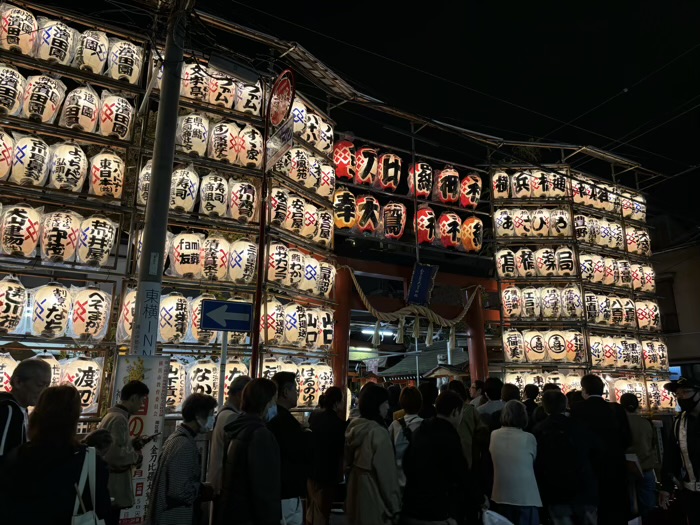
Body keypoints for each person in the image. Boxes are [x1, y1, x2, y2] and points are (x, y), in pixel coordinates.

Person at [0, 385, 111, 525]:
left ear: (37, 415)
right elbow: (102, 511)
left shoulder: (15, 456)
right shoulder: (89, 462)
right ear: (74, 419)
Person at [401, 391, 471, 525]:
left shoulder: (420, 430)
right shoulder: (449, 436)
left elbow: (407, 463)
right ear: (455, 412)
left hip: (411, 506)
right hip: (436, 511)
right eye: (461, 413)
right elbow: (461, 473)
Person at [218, 378, 281, 525]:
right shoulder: (260, 434)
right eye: (273, 401)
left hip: (236, 512)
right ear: (265, 402)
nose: (274, 406)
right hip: (251, 516)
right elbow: (264, 488)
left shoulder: (239, 428)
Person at [571, 374, 631, 525]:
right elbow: (628, 438)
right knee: (615, 508)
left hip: (590, 467)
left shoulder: (577, 409)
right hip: (616, 464)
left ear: (584, 390)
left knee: (594, 511)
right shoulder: (616, 409)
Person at [148, 393, 216, 525]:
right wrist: (202, 490)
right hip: (175, 517)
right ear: (198, 416)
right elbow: (179, 491)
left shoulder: (177, 438)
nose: (212, 419)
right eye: (210, 414)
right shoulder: (184, 445)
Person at [533, 390, 598, 525]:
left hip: (556, 490)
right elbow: (593, 451)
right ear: (565, 404)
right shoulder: (579, 426)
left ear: (544, 407)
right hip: (583, 485)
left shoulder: (539, 429)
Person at [345, 383, 401, 525]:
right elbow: (387, 478)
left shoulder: (354, 429)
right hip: (375, 504)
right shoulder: (378, 434)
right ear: (377, 405)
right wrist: (395, 508)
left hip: (355, 500)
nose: (388, 407)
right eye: (385, 403)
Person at [99, 379, 149, 525]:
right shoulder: (119, 419)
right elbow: (115, 455)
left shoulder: (112, 416)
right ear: (133, 398)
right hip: (113, 486)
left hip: (107, 484)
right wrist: (136, 456)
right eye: (142, 400)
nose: (142, 405)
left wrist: (131, 444)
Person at [267, 371, 311, 525]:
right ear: (286, 392)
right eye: (295, 390)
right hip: (287, 490)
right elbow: (298, 452)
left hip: (279, 488)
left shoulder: (273, 416)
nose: (297, 394)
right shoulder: (283, 420)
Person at [489, 400, 542, 525]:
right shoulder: (529, 438)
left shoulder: (494, 435)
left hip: (499, 494)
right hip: (526, 496)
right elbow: (533, 460)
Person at [660, 377, 700, 525]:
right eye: (677, 394)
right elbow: (672, 457)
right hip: (693, 495)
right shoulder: (680, 422)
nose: (680, 397)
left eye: (685, 392)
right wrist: (666, 487)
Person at [0, 358, 51, 464]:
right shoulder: (9, 409)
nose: (44, 391)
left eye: (47, 386)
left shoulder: (21, 409)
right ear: (18, 382)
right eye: (40, 385)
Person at [308, 386, 346, 525]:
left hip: (312, 469)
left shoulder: (315, 417)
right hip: (329, 472)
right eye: (342, 400)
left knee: (313, 507)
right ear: (336, 403)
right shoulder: (340, 424)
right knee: (323, 509)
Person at [208, 375, 251, 496]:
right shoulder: (231, 417)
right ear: (241, 394)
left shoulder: (223, 412)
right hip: (224, 483)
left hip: (219, 480)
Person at [620, 393, 659, 521]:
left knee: (630, 506)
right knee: (648, 505)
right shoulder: (646, 423)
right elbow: (652, 444)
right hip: (646, 467)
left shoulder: (619, 424)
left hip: (627, 468)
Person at [447, 380, 489, 470]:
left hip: (452, 457)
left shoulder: (445, 412)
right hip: (471, 453)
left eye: (472, 387)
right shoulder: (471, 410)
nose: (470, 389)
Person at [388, 386, 423, 488]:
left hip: (399, 480)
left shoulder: (394, 426)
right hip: (421, 481)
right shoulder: (426, 425)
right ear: (420, 403)